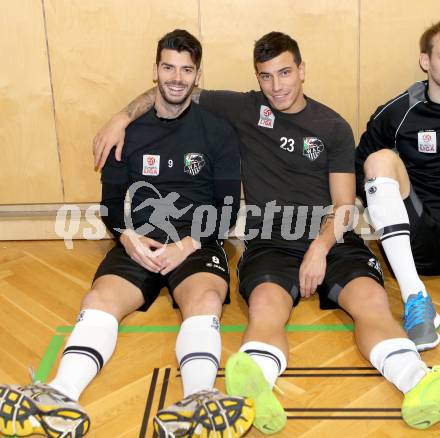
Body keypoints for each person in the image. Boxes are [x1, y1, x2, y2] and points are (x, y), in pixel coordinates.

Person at [93, 31, 440, 434]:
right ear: (257, 78)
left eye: (285, 73)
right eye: (266, 76)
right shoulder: (244, 109)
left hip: (331, 239)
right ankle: (257, 388)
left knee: (372, 304)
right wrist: (122, 117)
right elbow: (175, 88)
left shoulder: (332, 126)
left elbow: (345, 206)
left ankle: (417, 381)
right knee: (265, 311)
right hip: (270, 242)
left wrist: (319, 249)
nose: (277, 86)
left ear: (302, 70)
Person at [0, 30, 255, 438]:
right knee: (98, 298)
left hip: (195, 238)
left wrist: (187, 244)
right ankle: (59, 397)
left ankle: (200, 401)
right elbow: (112, 204)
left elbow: (227, 207)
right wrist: (125, 236)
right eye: (168, 67)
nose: (176, 77)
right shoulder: (127, 132)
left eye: (186, 69)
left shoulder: (217, 131)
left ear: (197, 75)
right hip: (139, 238)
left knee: (206, 298)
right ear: (154, 71)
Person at [355, 21, 440, 352]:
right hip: (419, 237)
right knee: (378, 161)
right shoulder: (399, 111)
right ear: (426, 61)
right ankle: (415, 297)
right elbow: (359, 168)